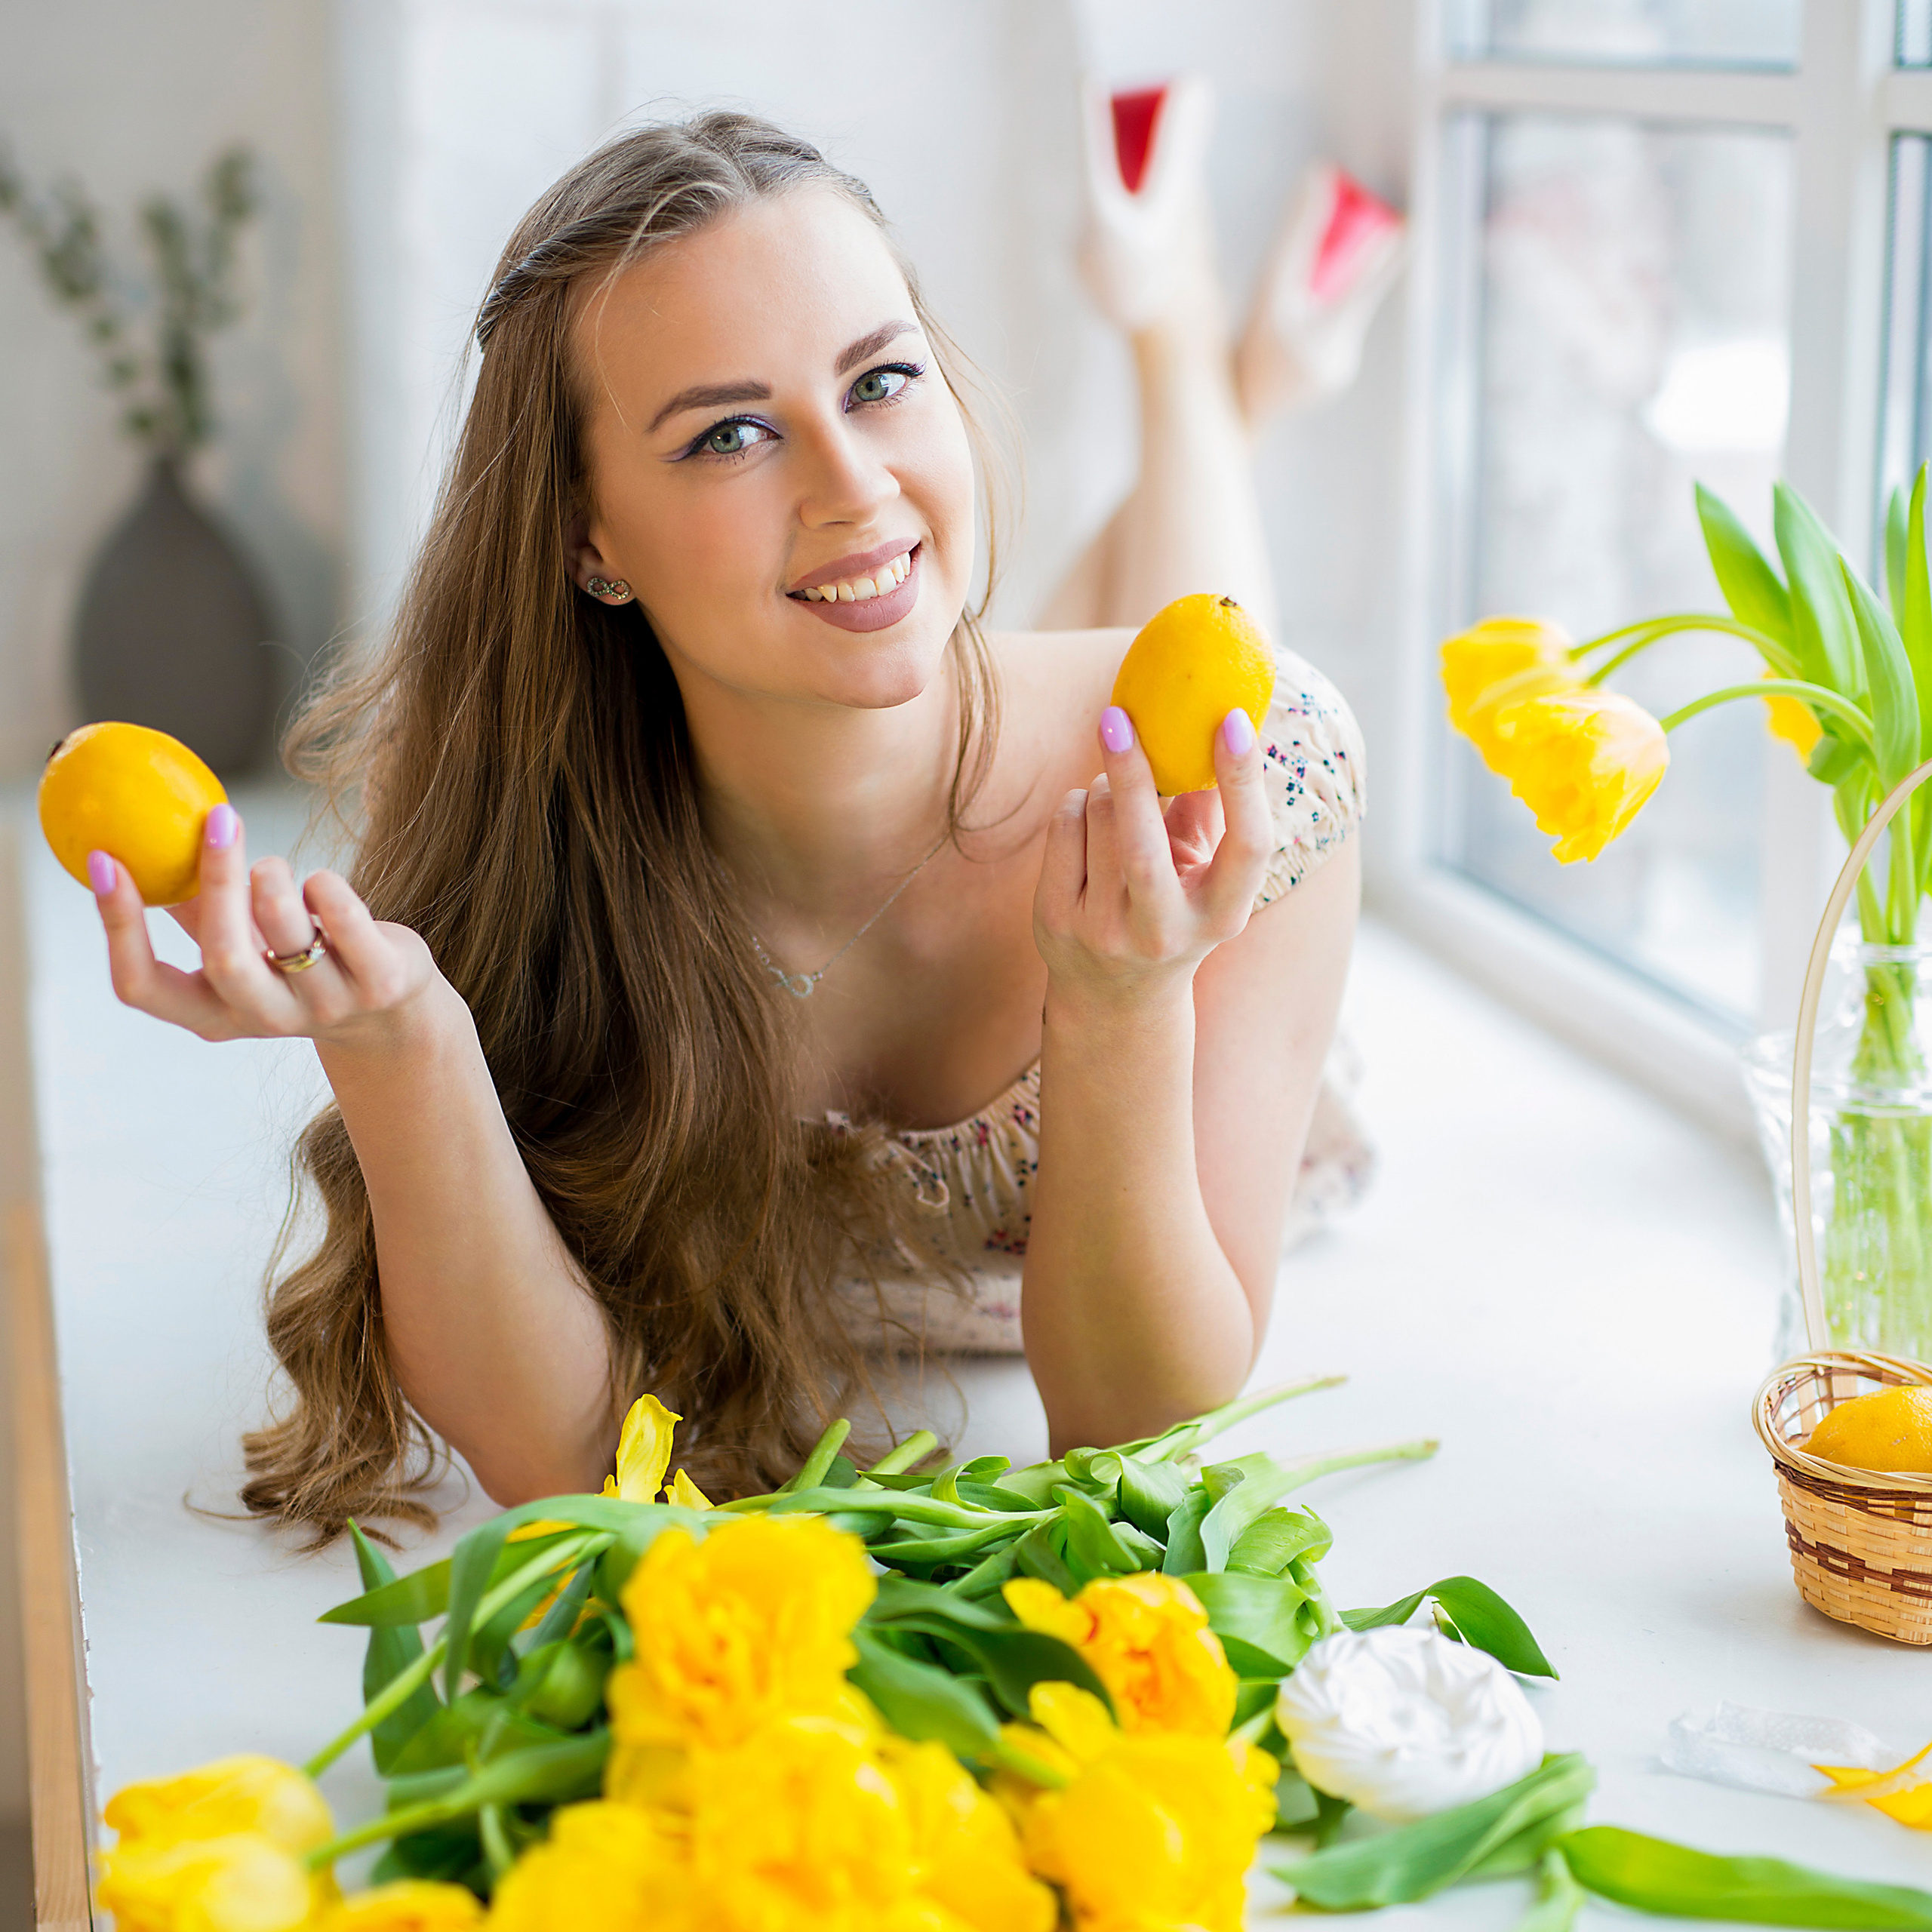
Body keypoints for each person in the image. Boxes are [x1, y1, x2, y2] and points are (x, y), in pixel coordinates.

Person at [83, 107, 1376, 1542]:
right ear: (589, 538)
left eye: (884, 379)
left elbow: (1133, 1436)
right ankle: (1223, 360)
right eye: (733, 433)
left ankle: (1183, 344)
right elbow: (572, 1462)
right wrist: (401, 1045)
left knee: (1197, 688)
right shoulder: (521, 834)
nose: (854, 481)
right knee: (973, 608)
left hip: (1177, 991)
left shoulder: (1280, 793)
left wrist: (1128, 1002)